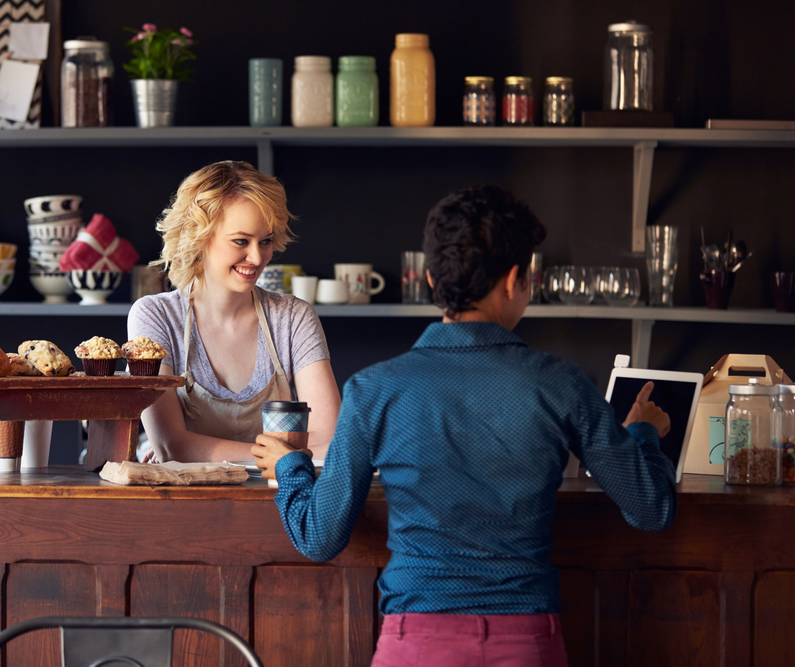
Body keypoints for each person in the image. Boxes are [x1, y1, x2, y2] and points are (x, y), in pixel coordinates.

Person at [252, 184, 676, 666]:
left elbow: (319, 537)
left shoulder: (374, 389)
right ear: (516, 278)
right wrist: (643, 432)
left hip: (413, 645)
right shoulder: (561, 384)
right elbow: (651, 509)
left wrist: (291, 466)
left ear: (432, 279)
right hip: (527, 644)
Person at [128, 160, 341, 463]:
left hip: (276, 502)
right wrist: (287, 459)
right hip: (186, 506)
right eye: (241, 241)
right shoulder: (156, 316)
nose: (257, 257)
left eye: (265, 241)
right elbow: (171, 445)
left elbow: (331, 441)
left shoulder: (293, 317)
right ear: (198, 237)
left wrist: (195, 451)